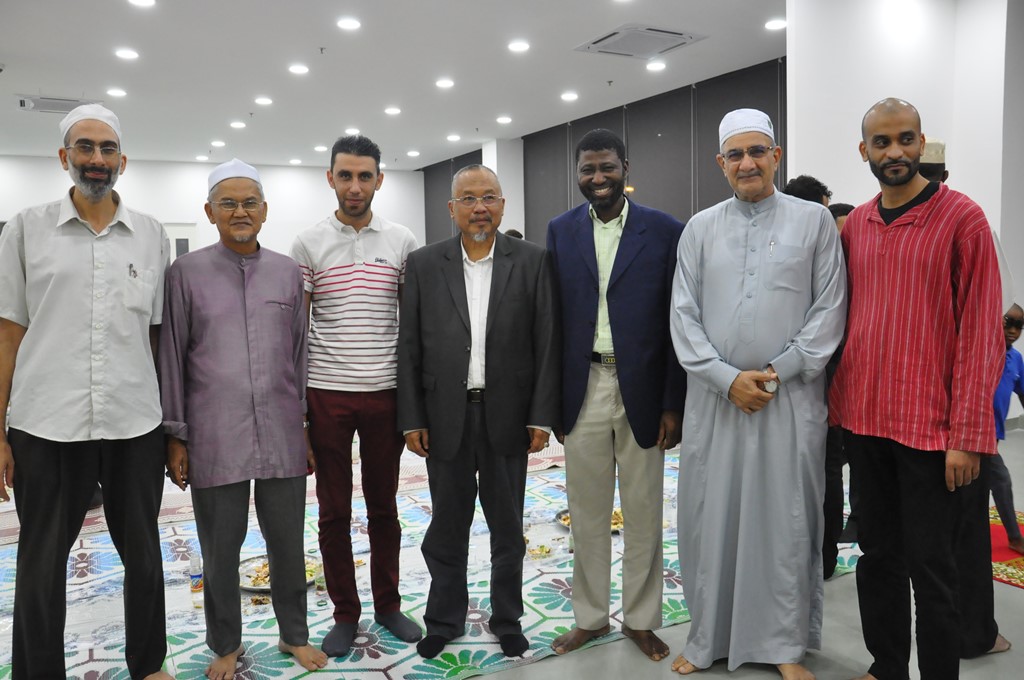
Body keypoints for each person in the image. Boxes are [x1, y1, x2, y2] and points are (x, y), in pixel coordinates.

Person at [829, 97, 1004, 680]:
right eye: (881, 142)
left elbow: (982, 333)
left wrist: (968, 436)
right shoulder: (857, 225)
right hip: (865, 421)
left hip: (933, 433)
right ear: (865, 150)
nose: (895, 151)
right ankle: (887, 666)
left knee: (933, 569)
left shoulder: (962, 219)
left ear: (921, 142)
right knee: (877, 556)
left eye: (905, 139)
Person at [669, 109, 846, 679]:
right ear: (721, 163)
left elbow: (829, 309)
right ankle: (707, 639)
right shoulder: (699, 229)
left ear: (776, 156)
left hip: (788, 401)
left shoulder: (814, 223)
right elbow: (683, 316)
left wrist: (776, 372)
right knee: (709, 519)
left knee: (785, 522)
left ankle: (784, 646)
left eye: (757, 151)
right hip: (715, 402)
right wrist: (726, 379)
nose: (747, 163)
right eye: (735, 155)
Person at [0, 104, 172, 679]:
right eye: (85, 147)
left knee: (144, 556)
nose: (97, 159)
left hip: (134, 423)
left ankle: (149, 663)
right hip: (46, 423)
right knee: (40, 563)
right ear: (64, 157)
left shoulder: (151, 235)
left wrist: (172, 427)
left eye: (107, 148)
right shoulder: (26, 229)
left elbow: (157, 337)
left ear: (122, 160)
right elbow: (7, 334)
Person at [160, 159, 329, 677]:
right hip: (214, 432)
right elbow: (172, 355)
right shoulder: (185, 273)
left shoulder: (286, 271)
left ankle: (294, 635)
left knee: (287, 541)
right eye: (228, 203)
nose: (240, 212)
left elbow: (299, 354)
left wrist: (304, 426)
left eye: (249, 202)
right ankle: (225, 644)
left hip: (281, 429)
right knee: (220, 546)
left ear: (265, 210)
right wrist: (176, 435)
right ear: (209, 211)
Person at [396, 164, 559, 660]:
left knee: (507, 528)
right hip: (445, 416)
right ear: (452, 209)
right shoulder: (424, 264)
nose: (479, 207)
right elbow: (409, 346)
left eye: (489, 197)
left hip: (508, 416)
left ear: (503, 205)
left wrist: (541, 416)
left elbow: (547, 342)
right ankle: (444, 620)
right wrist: (412, 418)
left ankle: (507, 619)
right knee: (447, 526)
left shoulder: (533, 261)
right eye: (468, 198)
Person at [546, 128, 685, 661]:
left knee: (645, 510)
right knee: (586, 511)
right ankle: (590, 616)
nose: (598, 177)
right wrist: (553, 402)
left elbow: (677, 321)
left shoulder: (665, 230)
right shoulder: (561, 231)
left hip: (643, 389)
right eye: (588, 169)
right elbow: (554, 320)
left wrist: (672, 402)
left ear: (627, 168)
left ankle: (641, 620)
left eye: (607, 167)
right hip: (582, 386)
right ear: (578, 175)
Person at [289, 135, 421, 656]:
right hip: (327, 393)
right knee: (333, 511)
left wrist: (414, 403)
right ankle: (345, 612)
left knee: (384, 507)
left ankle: (388, 604)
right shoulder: (308, 243)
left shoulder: (402, 241)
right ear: (331, 178)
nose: (355, 186)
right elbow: (297, 332)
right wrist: (299, 414)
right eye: (345, 175)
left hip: (385, 393)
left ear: (379, 180)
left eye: (365, 176)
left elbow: (411, 326)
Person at [919, 137, 1013, 661]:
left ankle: (975, 634)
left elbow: (999, 320)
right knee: (941, 535)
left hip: (965, 406)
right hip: (919, 411)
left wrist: (972, 422)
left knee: (965, 528)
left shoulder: (971, 225)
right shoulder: (885, 227)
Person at [993, 304, 1024, 554]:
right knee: (1000, 480)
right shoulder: (982, 354)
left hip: (993, 436)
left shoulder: (1016, 359)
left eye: (1019, 326)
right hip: (973, 436)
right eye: (1008, 323)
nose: (1013, 331)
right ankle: (1015, 537)